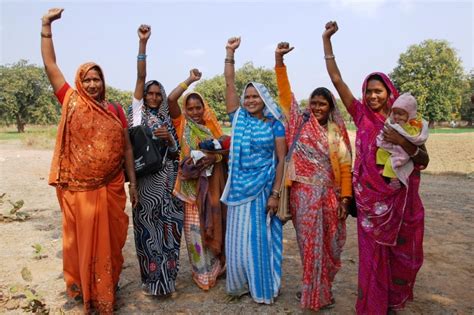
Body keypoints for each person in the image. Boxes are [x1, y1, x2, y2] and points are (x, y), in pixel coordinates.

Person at [323, 21, 430, 314]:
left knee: (404, 256)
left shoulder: (406, 123)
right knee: (372, 256)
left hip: (401, 203)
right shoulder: (361, 116)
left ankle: (394, 300)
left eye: (378, 91)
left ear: (389, 92)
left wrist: (403, 142)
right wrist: (327, 41)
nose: (372, 96)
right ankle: (373, 305)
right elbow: (337, 80)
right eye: (368, 91)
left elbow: (423, 161)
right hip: (371, 205)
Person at [41, 8, 137, 314]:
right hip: (80, 191)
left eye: (97, 79)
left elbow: (125, 150)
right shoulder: (70, 100)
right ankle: (87, 289)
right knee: (82, 241)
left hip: (110, 188)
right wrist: (46, 27)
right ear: (80, 82)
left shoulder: (114, 111)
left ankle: (107, 287)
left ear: (103, 82)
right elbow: (50, 64)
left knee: (111, 242)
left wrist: (132, 184)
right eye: (87, 79)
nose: (93, 84)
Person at [274, 42, 352, 311]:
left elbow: (344, 168)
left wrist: (345, 199)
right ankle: (311, 293)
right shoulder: (298, 122)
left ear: (331, 107)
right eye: (314, 103)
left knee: (331, 246)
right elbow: (285, 95)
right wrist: (279, 61)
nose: (317, 107)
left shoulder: (336, 132)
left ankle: (324, 290)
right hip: (303, 196)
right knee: (309, 246)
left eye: (323, 104)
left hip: (331, 197)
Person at [221, 37, 287, 304]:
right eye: (246, 97)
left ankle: (263, 285)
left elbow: (282, 161)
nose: (249, 101)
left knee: (260, 238)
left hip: (264, 188)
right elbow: (228, 83)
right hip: (239, 187)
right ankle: (239, 284)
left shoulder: (275, 125)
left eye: (254, 96)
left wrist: (275, 194)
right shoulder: (238, 118)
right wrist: (229, 53)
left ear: (264, 99)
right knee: (237, 239)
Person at [128, 25, 184, 296]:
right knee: (149, 234)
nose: (153, 96)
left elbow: (177, 154)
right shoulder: (137, 115)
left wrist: (169, 140)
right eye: (149, 93)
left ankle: (168, 281)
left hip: (169, 186)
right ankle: (152, 283)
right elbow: (141, 78)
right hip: (147, 185)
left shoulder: (165, 119)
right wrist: (143, 45)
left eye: (157, 94)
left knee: (170, 234)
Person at [166, 70, 228, 290]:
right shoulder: (181, 124)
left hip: (211, 189)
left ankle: (216, 269)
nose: (194, 112)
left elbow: (224, 154)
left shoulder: (212, 128)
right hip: (190, 191)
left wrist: (215, 156)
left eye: (198, 108)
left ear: (204, 108)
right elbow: (171, 99)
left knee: (211, 225)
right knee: (194, 231)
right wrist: (190, 80)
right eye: (190, 108)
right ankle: (201, 274)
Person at [376, 93, 429, 188]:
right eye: (394, 113)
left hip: (401, 152)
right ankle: (381, 167)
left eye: (378, 91)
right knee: (381, 152)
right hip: (391, 148)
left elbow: (424, 158)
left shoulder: (414, 124)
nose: (396, 117)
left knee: (393, 162)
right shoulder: (391, 120)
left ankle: (394, 178)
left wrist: (401, 139)